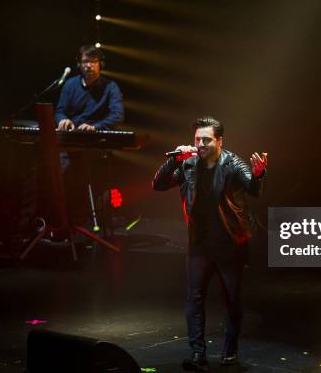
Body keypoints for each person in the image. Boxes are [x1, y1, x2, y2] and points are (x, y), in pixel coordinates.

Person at [152, 117, 268, 371]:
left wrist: (259, 175)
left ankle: (230, 352)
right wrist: (175, 159)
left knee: (231, 299)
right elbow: (158, 185)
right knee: (194, 298)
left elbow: (253, 188)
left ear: (219, 141)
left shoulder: (232, 163)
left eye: (206, 140)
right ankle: (197, 353)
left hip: (229, 243)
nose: (201, 144)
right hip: (199, 244)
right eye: (197, 140)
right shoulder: (188, 164)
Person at [54, 45, 124, 227]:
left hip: (95, 142)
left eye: (93, 62)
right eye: (85, 61)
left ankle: (83, 219)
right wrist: (63, 120)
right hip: (70, 141)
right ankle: (62, 219)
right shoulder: (69, 85)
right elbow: (59, 111)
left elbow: (117, 115)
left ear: (100, 64)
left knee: (82, 171)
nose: (89, 66)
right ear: (79, 64)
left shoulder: (110, 87)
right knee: (58, 172)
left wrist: (95, 127)